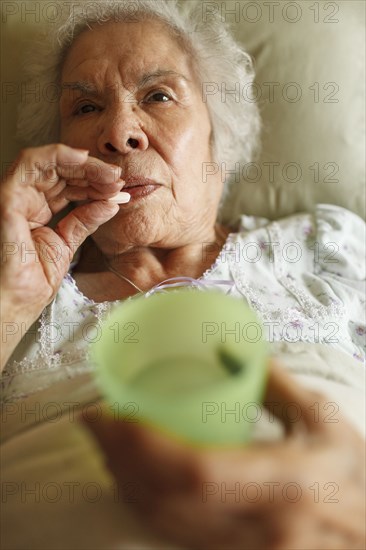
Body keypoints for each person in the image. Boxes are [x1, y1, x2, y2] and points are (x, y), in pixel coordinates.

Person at [1, 1, 365, 549]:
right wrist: (12, 299)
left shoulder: (325, 247)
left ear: (221, 134)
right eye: (84, 108)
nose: (119, 132)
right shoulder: (16, 288)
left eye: (158, 96)